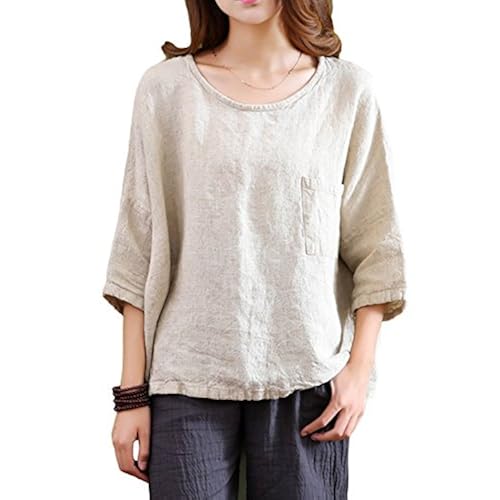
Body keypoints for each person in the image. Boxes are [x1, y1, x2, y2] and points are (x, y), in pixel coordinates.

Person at [103, 0, 407, 498]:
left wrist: (358, 372)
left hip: (308, 378)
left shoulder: (348, 92)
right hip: (187, 378)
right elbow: (139, 248)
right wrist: (131, 395)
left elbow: (376, 246)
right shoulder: (165, 90)